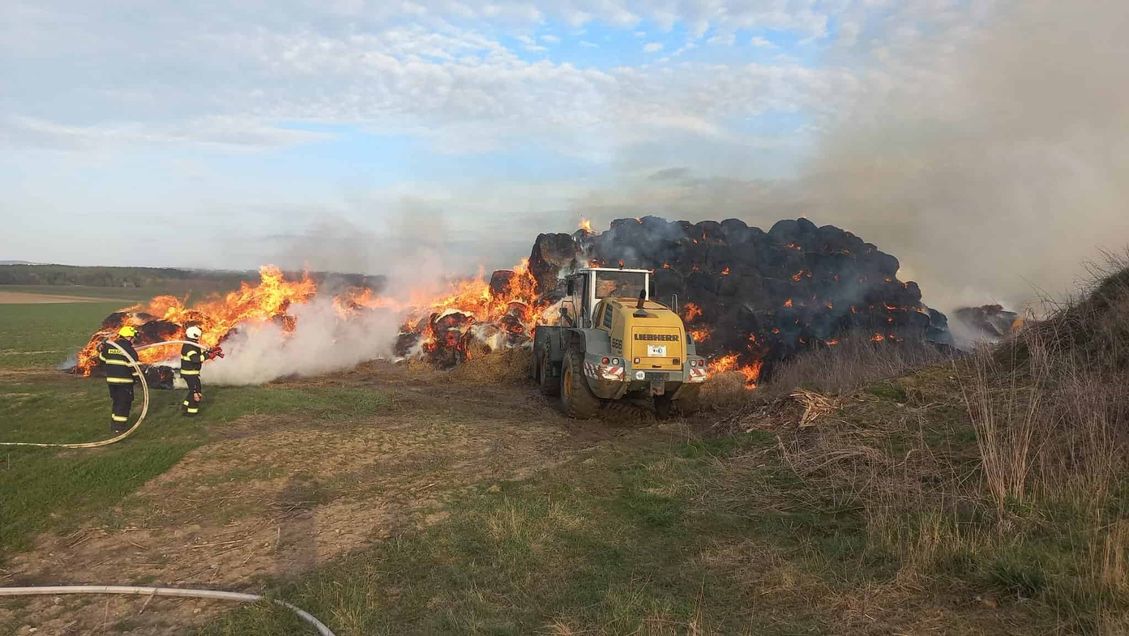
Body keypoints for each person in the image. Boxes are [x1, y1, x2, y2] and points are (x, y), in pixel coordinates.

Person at [99, 325, 141, 434]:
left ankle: (114, 424)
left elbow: (102, 358)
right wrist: (139, 380)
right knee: (124, 404)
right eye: (132, 337)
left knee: (116, 402)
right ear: (128, 337)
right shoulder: (129, 350)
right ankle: (119, 429)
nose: (133, 340)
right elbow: (135, 369)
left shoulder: (110, 346)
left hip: (112, 381)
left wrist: (100, 349)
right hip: (125, 382)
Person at [180, 326, 207, 416]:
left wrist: (206, 353)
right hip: (190, 373)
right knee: (196, 393)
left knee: (192, 390)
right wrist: (207, 356)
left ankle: (185, 405)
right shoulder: (189, 347)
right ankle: (191, 412)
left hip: (190, 372)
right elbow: (195, 359)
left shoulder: (191, 345)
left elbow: (197, 356)